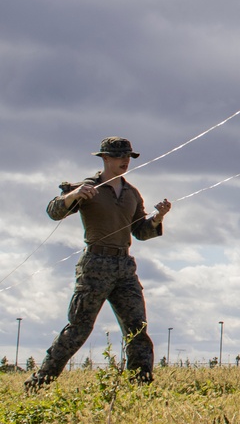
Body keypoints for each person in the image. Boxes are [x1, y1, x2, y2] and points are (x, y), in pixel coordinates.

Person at [25, 137, 172, 391]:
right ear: (105, 158)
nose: (125, 161)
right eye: (119, 157)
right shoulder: (86, 187)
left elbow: (140, 231)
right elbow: (53, 212)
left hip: (124, 266)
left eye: (129, 157)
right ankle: (40, 382)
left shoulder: (132, 193)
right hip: (95, 265)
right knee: (79, 329)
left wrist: (158, 218)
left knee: (137, 329)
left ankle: (140, 387)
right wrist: (73, 195)